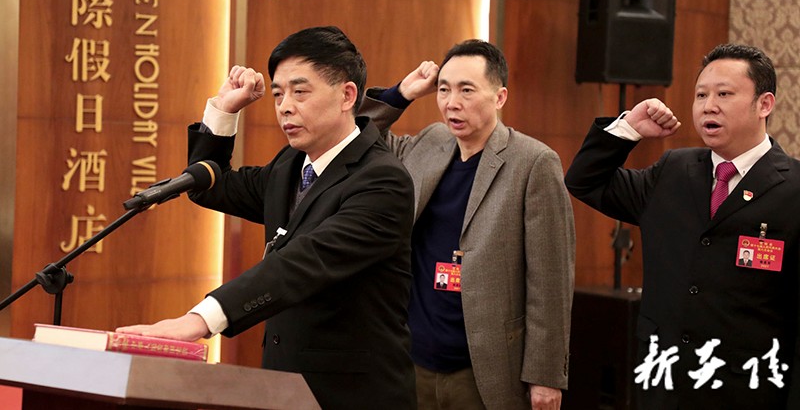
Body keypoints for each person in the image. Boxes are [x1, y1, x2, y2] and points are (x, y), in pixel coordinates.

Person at [117, 26, 417, 410]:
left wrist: (200, 320)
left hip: (351, 395)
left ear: (347, 96)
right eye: (277, 94)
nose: (284, 106)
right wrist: (224, 110)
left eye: (300, 92)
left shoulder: (383, 181)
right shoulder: (290, 165)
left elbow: (304, 262)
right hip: (284, 388)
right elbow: (210, 185)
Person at [565, 43, 800, 409]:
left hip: (748, 393)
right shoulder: (673, 171)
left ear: (764, 104)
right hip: (663, 388)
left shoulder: (794, 188)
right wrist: (628, 128)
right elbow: (585, 181)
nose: (709, 106)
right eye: (701, 95)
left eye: (724, 94)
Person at [359, 39, 576, 410]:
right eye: (444, 90)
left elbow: (550, 279)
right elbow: (361, 139)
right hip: (412, 358)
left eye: (466, 90)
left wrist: (545, 375)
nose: (451, 102)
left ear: (500, 97)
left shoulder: (533, 162)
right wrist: (402, 93)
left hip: (486, 368)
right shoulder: (431, 142)